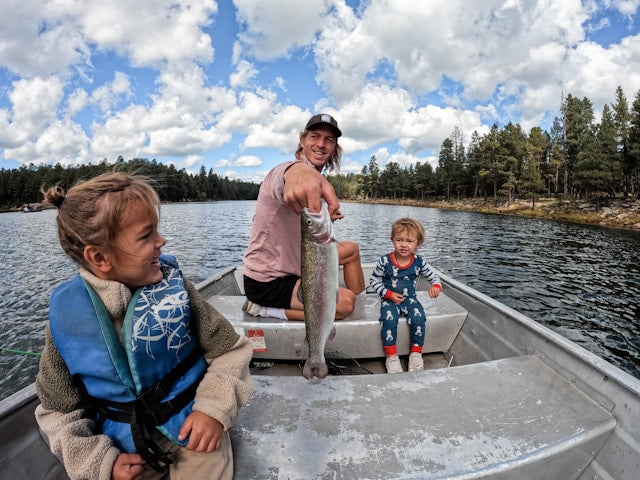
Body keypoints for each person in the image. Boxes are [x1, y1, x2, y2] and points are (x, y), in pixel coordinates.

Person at [35, 172, 254, 480]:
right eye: (146, 235)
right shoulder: (66, 321)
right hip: (122, 448)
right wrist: (100, 462)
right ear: (99, 257)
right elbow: (57, 410)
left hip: (193, 427)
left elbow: (231, 351)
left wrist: (213, 410)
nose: (161, 241)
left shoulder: (177, 291)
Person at [242, 113, 365, 321]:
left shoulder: (315, 183)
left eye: (329, 140)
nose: (321, 144)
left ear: (334, 147)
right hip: (268, 280)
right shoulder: (283, 171)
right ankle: (262, 309)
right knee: (345, 303)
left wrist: (328, 216)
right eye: (315, 136)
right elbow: (292, 175)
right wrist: (300, 171)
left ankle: (366, 306)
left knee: (351, 250)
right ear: (302, 141)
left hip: (296, 264)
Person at [369, 218, 442, 373]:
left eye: (409, 241)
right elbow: (374, 280)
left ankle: (416, 354)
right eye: (399, 240)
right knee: (389, 320)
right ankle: (392, 358)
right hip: (389, 299)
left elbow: (434, 277)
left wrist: (436, 286)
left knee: (419, 318)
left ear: (418, 243)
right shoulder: (385, 261)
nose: (404, 244)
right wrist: (387, 294)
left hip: (410, 299)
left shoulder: (419, 262)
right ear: (392, 240)